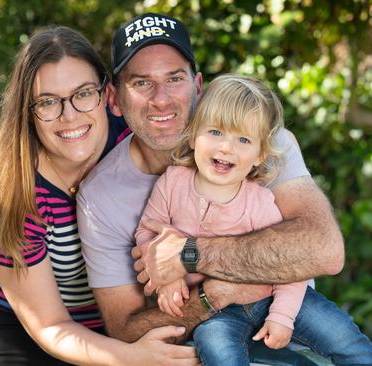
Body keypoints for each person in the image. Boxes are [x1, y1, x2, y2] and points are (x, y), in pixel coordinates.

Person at [76, 12, 344, 362]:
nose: (161, 99)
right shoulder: (101, 194)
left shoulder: (262, 142)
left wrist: (191, 254)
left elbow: (324, 249)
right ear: (114, 97)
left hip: (292, 334)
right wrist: (214, 293)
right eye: (141, 82)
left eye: (174, 79)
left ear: (198, 85)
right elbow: (126, 330)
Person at [0, 25, 200, 365]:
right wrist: (133, 356)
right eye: (47, 102)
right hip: (18, 326)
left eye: (83, 93)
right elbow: (50, 326)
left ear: (108, 95)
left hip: (114, 322)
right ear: (27, 112)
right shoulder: (13, 192)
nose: (69, 115)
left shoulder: (132, 139)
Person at [134, 74, 372, 365]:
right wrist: (167, 279)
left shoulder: (260, 202)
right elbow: (148, 233)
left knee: (342, 335)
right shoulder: (172, 183)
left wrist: (282, 316)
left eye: (243, 139)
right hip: (218, 311)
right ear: (193, 136)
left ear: (259, 155)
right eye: (215, 132)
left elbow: (293, 265)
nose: (226, 147)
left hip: (274, 297)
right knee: (215, 347)